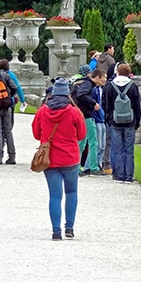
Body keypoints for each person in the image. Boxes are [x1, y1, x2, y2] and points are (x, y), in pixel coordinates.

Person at [32, 77, 86, 240]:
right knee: (71, 192)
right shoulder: (74, 111)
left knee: (55, 195)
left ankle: (56, 231)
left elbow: (36, 134)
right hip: (70, 157)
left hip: (50, 158)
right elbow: (82, 135)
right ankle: (69, 227)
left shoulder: (43, 111)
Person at [103, 63, 141, 183]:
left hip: (115, 121)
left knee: (117, 149)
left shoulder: (109, 86)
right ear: (129, 73)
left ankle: (118, 174)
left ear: (117, 72)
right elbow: (137, 106)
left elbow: (105, 105)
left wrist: (108, 118)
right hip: (130, 121)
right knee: (129, 150)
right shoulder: (133, 86)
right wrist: (137, 121)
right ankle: (128, 175)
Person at [72, 67, 106, 175]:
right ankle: (93, 167)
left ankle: (77, 167)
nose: (103, 82)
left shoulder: (83, 83)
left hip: (81, 115)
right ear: (96, 77)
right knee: (92, 142)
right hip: (86, 115)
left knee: (82, 142)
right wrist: (93, 103)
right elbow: (81, 95)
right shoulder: (88, 84)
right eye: (102, 79)